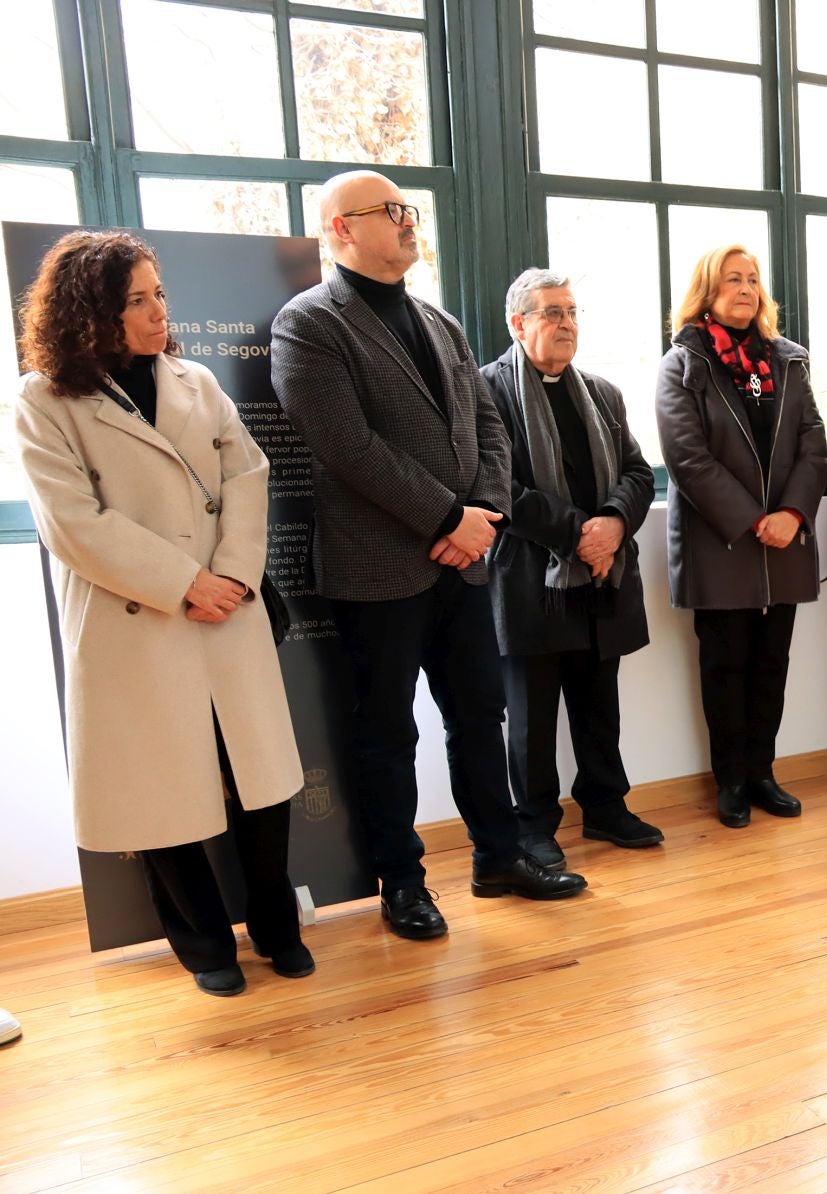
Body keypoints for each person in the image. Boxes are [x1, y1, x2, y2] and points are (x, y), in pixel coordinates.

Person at [272, 170, 586, 942]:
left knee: (481, 715)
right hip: (377, 566)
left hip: (464, 560)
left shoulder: (440, 322)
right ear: (341, 228)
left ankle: (499, 856)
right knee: (387, 735)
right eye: (392, 212)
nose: (410, 223)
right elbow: (346, 447)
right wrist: (448, 515)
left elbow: (488, 427)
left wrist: (483, 517)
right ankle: (402, 883)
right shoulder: (309, 324)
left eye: (410, 210)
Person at [16, 230, 310, 996]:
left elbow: (249, 471)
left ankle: (277, 923)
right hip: (136, 617)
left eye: (159, 295)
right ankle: (205, 944)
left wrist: (234, 575)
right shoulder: (43, 399)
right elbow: (72, 524)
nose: (156, 313)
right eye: (135, 301)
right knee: (158, 790)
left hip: (226, 605)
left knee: (257, 778)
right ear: (90, 313)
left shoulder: (194, 380)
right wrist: (183, 580)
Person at [477, 269, 661, 868]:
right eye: (551, 312)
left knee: (597, 701)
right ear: (518, 323)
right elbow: (495, 486)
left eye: (573, 312)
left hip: (601, 573)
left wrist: (612, 523)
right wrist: (576, 534)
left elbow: (636, 471)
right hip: (532, 579)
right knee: (530, 716)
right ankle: (533, 826)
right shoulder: (489, 392)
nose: (566, 323)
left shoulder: (602, 393)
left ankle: (605, 806)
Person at [656, 246, 827, 827]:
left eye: (753, 279)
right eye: (732, 279)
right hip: (721, 545)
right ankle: (730, 779)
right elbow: (687, 458)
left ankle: (762, 773)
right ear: (707, 291)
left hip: (784, 542)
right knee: (725, 667)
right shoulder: (683, 363)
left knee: (771, 665)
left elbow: (812, 442)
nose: (746, 289)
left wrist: (792, 515)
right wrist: (756, 519)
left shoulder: (789, 363)